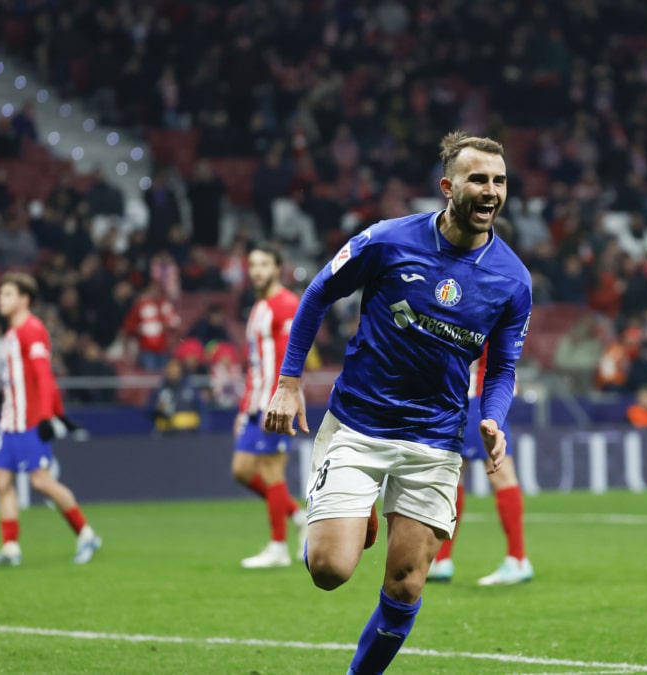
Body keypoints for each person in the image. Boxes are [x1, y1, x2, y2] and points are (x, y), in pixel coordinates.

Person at [264, 131, 531, 674]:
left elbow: (501, 367)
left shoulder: (513, 280)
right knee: (329, 569)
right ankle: (357, 508)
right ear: (447, 186)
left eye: (499, 181)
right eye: (478, 179)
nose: (491, 191)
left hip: (435, 439)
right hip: (358, 425)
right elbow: (317, 292)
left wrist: (493, 418)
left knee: (406, 585)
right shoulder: (388, 241)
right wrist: (289, 381)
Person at [0, 273, 102, 567]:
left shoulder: (32, 329)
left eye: (7, 294)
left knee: (42, 482)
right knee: (0, 480)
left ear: (24, 299)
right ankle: (10, 548)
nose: (1, 300)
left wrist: (51, 416)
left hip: (31, 420)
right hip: (9, 421)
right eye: (0, 294)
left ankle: (86, 534)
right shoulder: (11, 333)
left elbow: (44, 375)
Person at [231, 244, 309, 568]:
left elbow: (292, 357)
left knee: (271, 470)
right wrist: (245, 406)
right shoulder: (259, 306)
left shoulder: (287, 304)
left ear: (278, 268)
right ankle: (296, 514)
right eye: (252, 264)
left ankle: (278, 547)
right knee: (242, 470)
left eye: (264, 264)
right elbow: (255, 363)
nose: (257, 270)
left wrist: (285, 398)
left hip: (276, 402)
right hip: (256, 402)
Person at [426, 348, 533, 586]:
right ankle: (442, 559)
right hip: (482, 394)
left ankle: (517, 559)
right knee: (454, 475)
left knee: (499, 474)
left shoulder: (479, 310)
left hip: (479, 395)